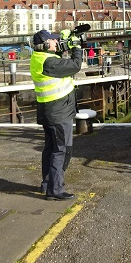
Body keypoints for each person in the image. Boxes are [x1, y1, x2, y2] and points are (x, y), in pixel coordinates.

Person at [30, 28, 83, 201]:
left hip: (50, 111)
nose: (56, 42)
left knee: (50, 149)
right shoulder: (49, 63)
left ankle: (47, 184)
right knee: (61, 150)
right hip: (59, 113)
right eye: (53, 40)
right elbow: (75, 65)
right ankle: (55, 190)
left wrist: (65, 40)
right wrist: (76, 47)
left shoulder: (39, 57)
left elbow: (56, 53)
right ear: (45, 44)